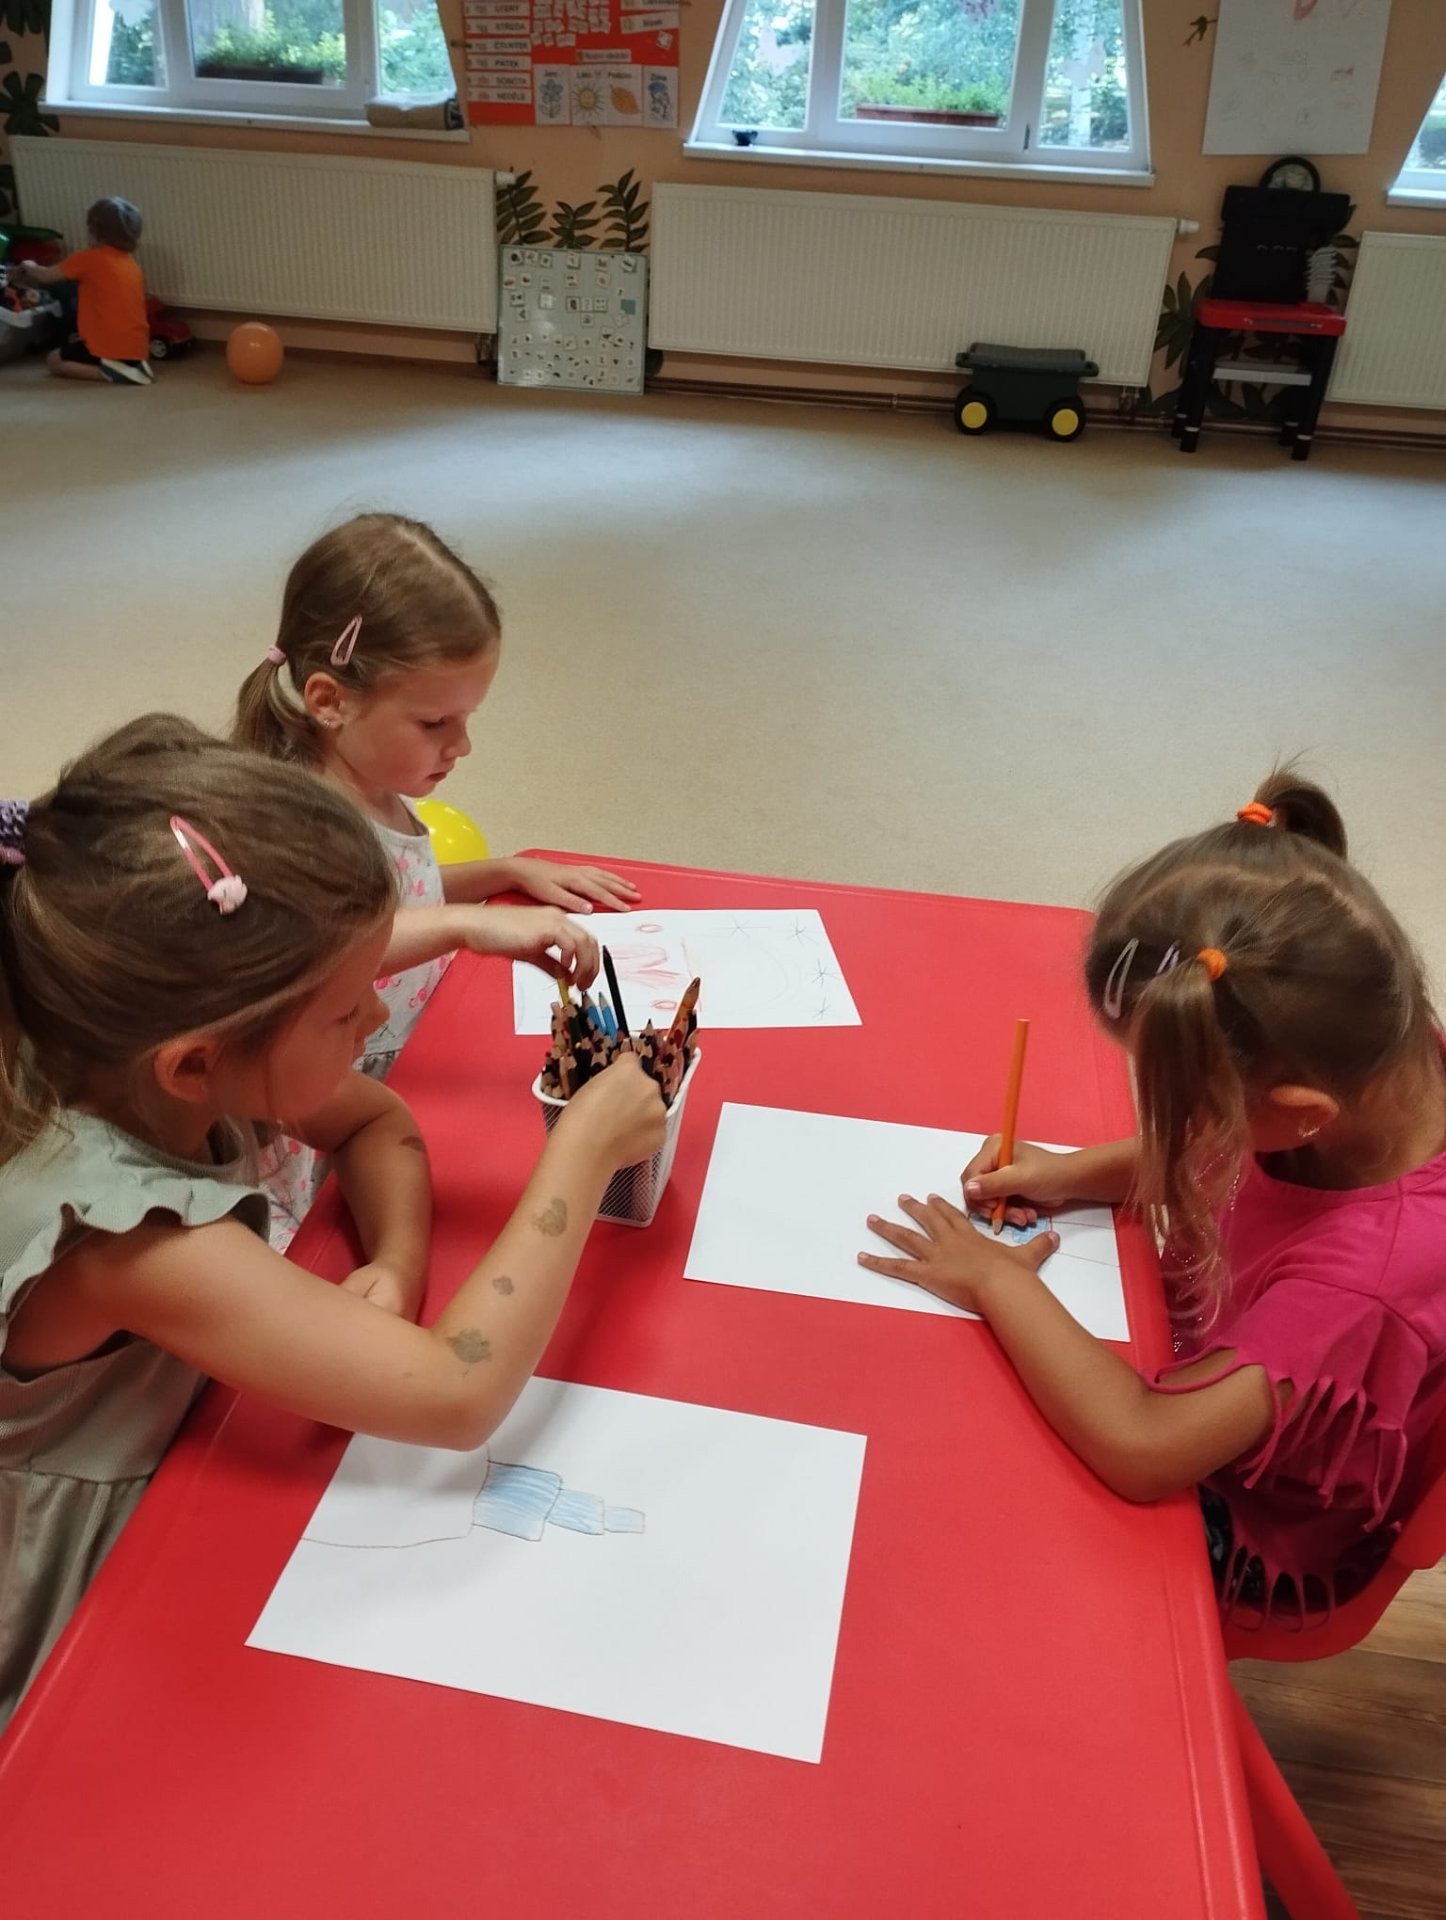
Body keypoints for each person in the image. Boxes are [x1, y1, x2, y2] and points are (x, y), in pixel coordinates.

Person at [0, 716, 666, 1730]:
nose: (377, 1021)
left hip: (204, 1450)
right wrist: (578, 1151)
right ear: (196, 1062)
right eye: (349, 1008)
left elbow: (373, 1120)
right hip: (83, 1591)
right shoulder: (133, 1243)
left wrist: (395, 1265)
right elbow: (457, 1395)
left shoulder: (143, 1058)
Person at [859, 773, 1446, 1621]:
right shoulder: (1377, 1057)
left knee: (958, 1512)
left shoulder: (1359, 1287)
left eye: (1190, 1106)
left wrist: (996, 1280)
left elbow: (1143, 1448)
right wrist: (1065, 1174)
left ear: (1303, 1116)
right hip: (1216, 1362)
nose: (1176, 1127)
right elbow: (1229, 1148)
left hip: (1248, 1510)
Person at [10, 197, 152, 386]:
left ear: (95, 231)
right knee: (78, 343)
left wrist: (28, 265)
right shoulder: (130, 263)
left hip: (109, 347)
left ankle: (113, 373)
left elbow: (46, 276)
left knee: (54, 360)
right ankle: (128, 366)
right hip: (137, 347)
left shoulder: (89, 258)